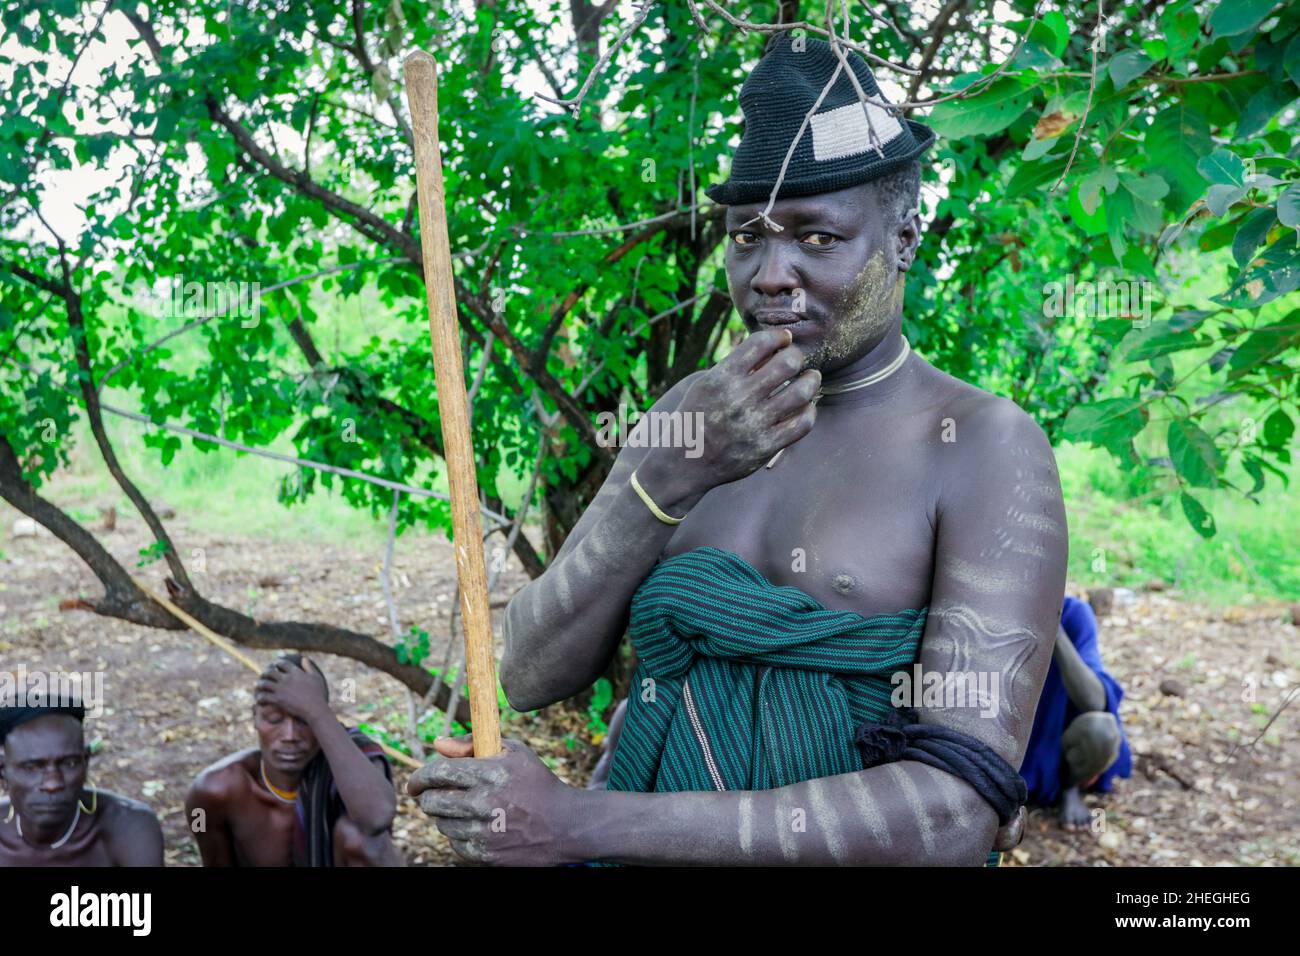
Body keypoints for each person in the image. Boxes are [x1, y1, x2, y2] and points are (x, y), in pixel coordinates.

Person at [410, 33, 1068, 865]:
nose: (769, 272)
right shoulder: (690, 414)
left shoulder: (982, 448)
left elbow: (953, 815)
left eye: (817, 238)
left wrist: (577, 824)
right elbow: (527, 673)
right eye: (746, 235)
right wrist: (665, 481)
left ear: (903, 240)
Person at [186, 654, 403, 866]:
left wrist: (316, 710)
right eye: (274, 720)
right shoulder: (212, 794)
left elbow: (377, 817)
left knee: (362, 838)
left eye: (303, 721)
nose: (290, 735)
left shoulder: (352, 759)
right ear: (255, 717)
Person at [0, 701, 163, 865]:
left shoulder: (128, 828)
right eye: (32, 767)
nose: (53, 784)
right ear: (2, 771)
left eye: (69, 763)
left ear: (85, 762)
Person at [1020, 596, 1132, 828]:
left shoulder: (1074, 613)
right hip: (1003, 739)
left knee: (1102, 731)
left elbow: (1094, 701)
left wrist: (1055, 631)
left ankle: (1068, 789)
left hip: (1055, 745)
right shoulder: (991, 607)